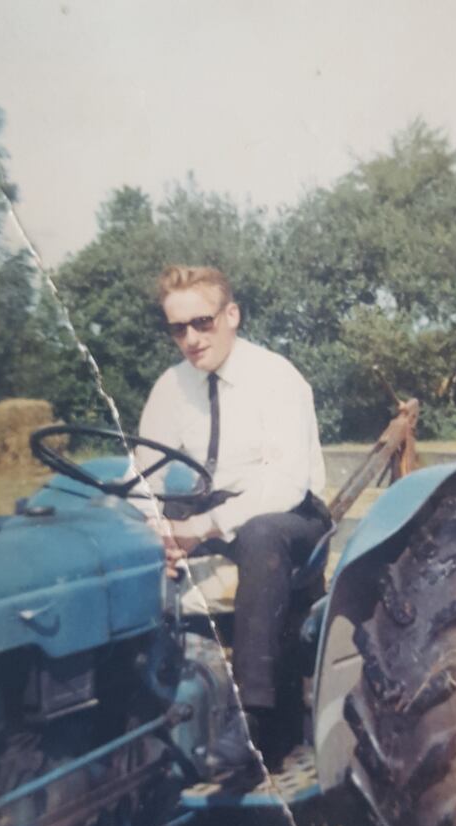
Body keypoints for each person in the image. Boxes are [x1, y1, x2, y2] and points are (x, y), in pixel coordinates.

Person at [138, 265, 329, 779]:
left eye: (202, 322)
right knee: (128, 551)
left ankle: (254, 722)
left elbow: (284, 485)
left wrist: (202, 528)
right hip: (211, 511)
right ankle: (145, 712)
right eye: (178, 329)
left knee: (262, 534)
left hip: (290, 518)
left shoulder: (277, 378)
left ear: (232, 315)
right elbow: (143, 475)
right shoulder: (171, 387)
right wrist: (157, 531)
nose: (192, 340)